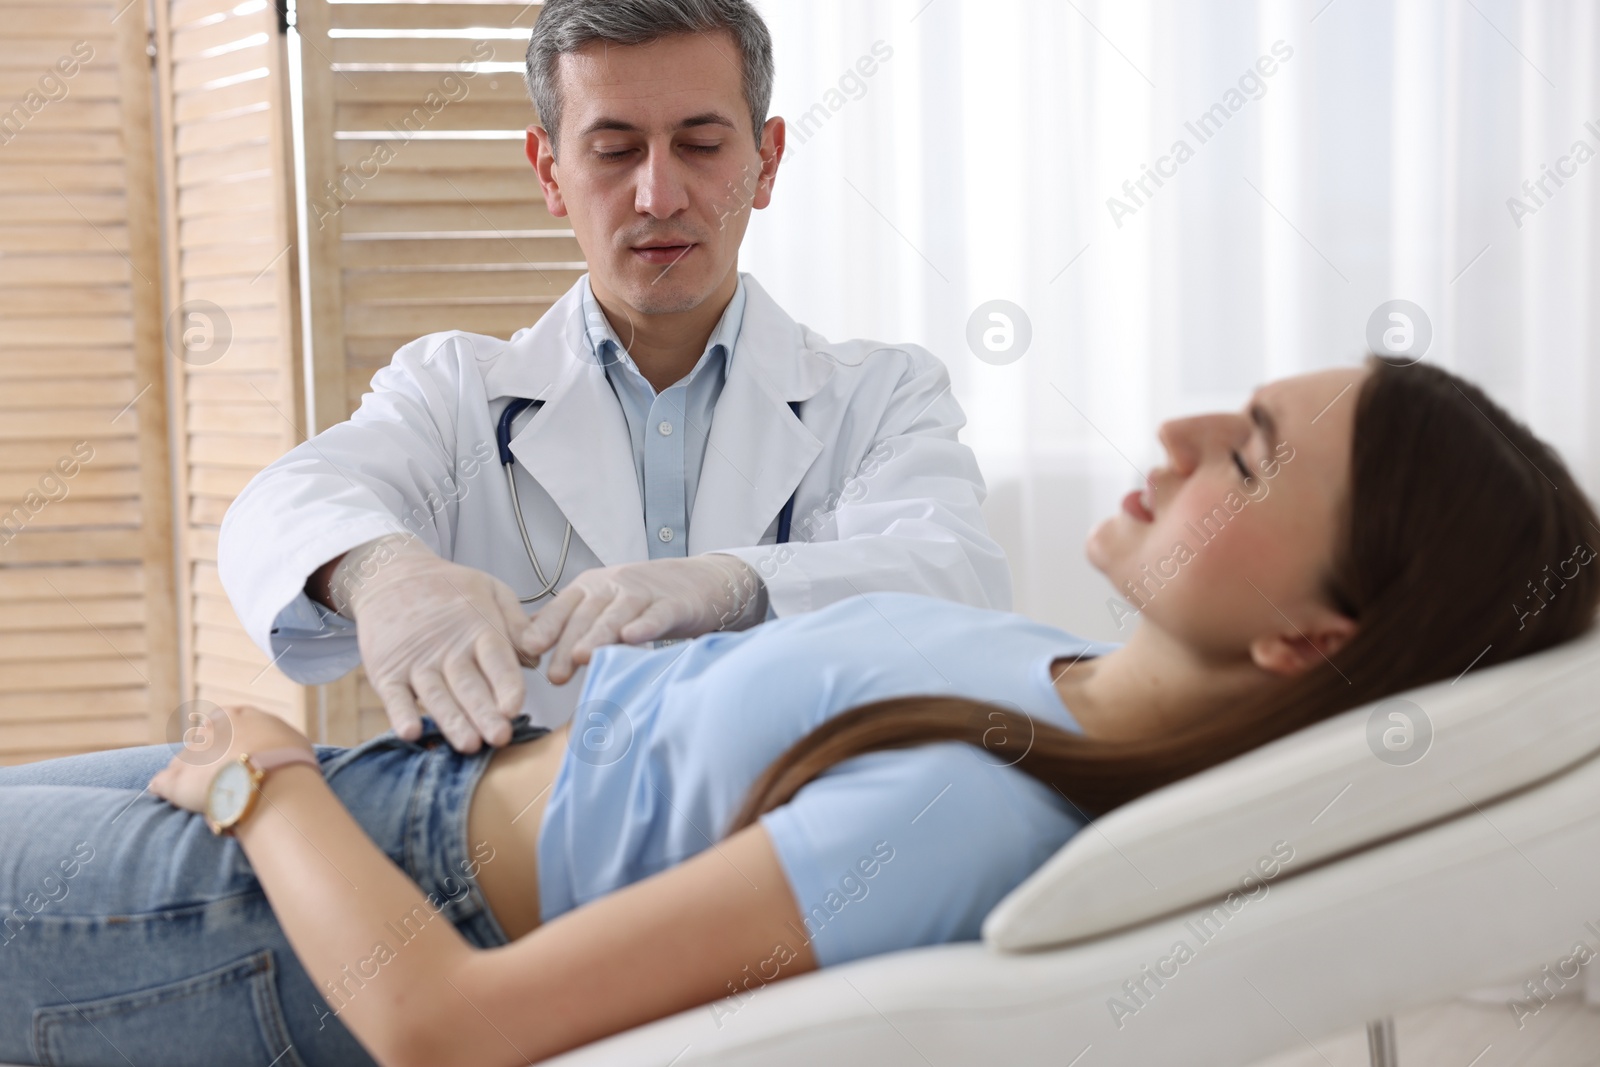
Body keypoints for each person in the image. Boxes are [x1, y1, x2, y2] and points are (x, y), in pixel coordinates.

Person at [2, 360, 1595, 1067]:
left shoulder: (967, 806)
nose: (1176, 426)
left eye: (1246, 455)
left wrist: (265, 786)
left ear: (1315, 632)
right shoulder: (1042, 671)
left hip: (290, 901)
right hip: (357, 810)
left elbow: (448, 1030)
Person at [217, 0, 1010, 752]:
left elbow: (955, 580)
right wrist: (383, 574)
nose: (659, 196)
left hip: (788, 864)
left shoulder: (881, 396)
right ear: (549, 171)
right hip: (534, 877)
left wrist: (730, 584)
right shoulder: (453, 392)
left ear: (766, 163)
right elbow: (281, 504)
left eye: (701, 146)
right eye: (614, 150)